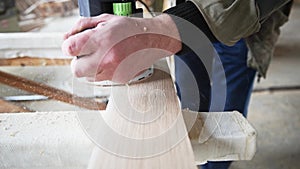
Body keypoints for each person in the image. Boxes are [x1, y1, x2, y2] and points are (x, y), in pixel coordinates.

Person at [62, 0, 293, 169]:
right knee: (190, 106)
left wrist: (159, 33)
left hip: (247, 27)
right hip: (182, 10)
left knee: (225, 118)